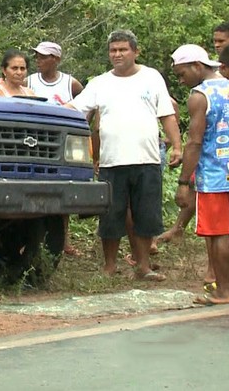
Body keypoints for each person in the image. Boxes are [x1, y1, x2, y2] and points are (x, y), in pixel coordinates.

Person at [67, 30, 181, 280]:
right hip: (112, 161)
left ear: (135, 52)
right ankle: (109, 267)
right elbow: (74, 108)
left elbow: (167, 115)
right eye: (113, 50)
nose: (117, 54)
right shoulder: (100, 83)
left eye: (123, 49)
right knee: (111, 216)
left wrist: (177, 146)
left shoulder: (152, 77)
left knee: (146, 215)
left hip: (147, 160)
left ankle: (143, 267)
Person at [171, 43, 229, 305]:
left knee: (217, 234)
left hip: (214, 175)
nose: (181, 80)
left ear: (197, 66)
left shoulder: (200, 96)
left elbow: (195, 142)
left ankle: (223, 291)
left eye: (182, 74)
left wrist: (184, 182)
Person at [27, 41, 85, 256]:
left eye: (44, 57)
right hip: (35, 142)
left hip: (61, 144)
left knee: (62, 190)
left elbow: (86, 106)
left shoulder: (71, 84)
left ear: (56, 59)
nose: (39, 61)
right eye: (37, 56)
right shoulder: (30, 81)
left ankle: (64, 239)